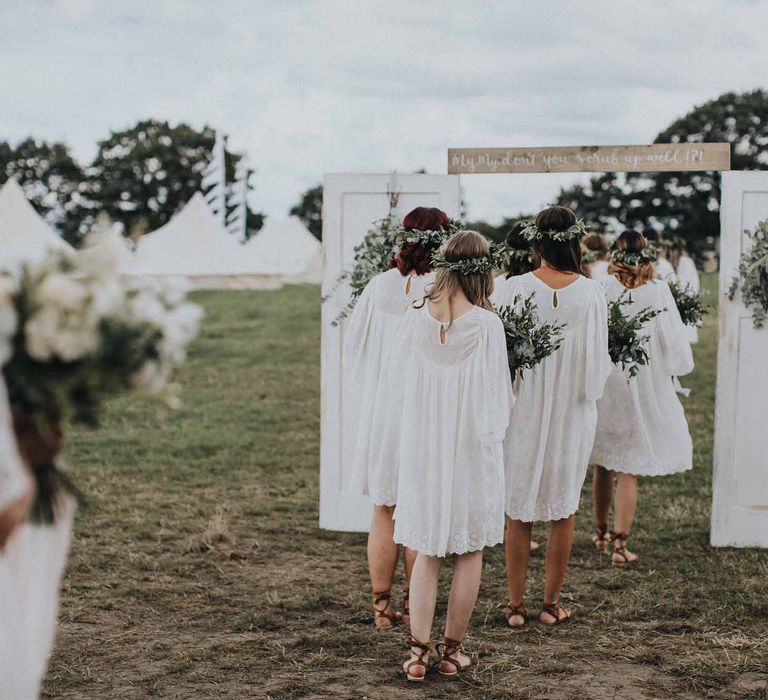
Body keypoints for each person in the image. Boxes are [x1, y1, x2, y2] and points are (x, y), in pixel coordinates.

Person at [391, 231, 512, 681]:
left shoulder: (417, 314)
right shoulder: (485, 324)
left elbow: (400, 381)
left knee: (426, 549)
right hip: (470, 446)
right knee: (468, 550)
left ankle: (417, 653)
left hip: (424, 444)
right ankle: (451, 650)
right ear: (482, 269)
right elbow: (496, 397)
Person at [497, 206, 610, 627]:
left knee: (519, 507)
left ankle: (514, 608)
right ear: (574, 241)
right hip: (571, 408)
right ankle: (550, 604)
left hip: (523, 406)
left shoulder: (511, 289)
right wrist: (588, 396)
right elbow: (598, 360)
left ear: (537, 241)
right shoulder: (592, 291)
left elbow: (500, 358)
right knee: (563, 508)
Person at [344, 206, 449, 628]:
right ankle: (411, 605)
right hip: (424, 411)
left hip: (383, 411)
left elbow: (354, 350)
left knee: (383, 510)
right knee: (416, 511)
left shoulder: (378, 286)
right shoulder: (444, 289)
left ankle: (381, 607)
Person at [591, 231, 694, 563]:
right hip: (642, 381)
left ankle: (601, 534)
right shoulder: (658, 291)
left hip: (607, 382)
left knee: (604, 463)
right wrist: (678, 367)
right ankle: (621, 547)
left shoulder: (601, 288)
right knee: (629, 467)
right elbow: (675, 345)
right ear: (647, 255)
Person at [668, 237, 701, 344]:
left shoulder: (684, 261)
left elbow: (684, 280)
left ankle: (688, 339)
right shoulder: (683, 261)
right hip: (687, 292)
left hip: (688, 292)